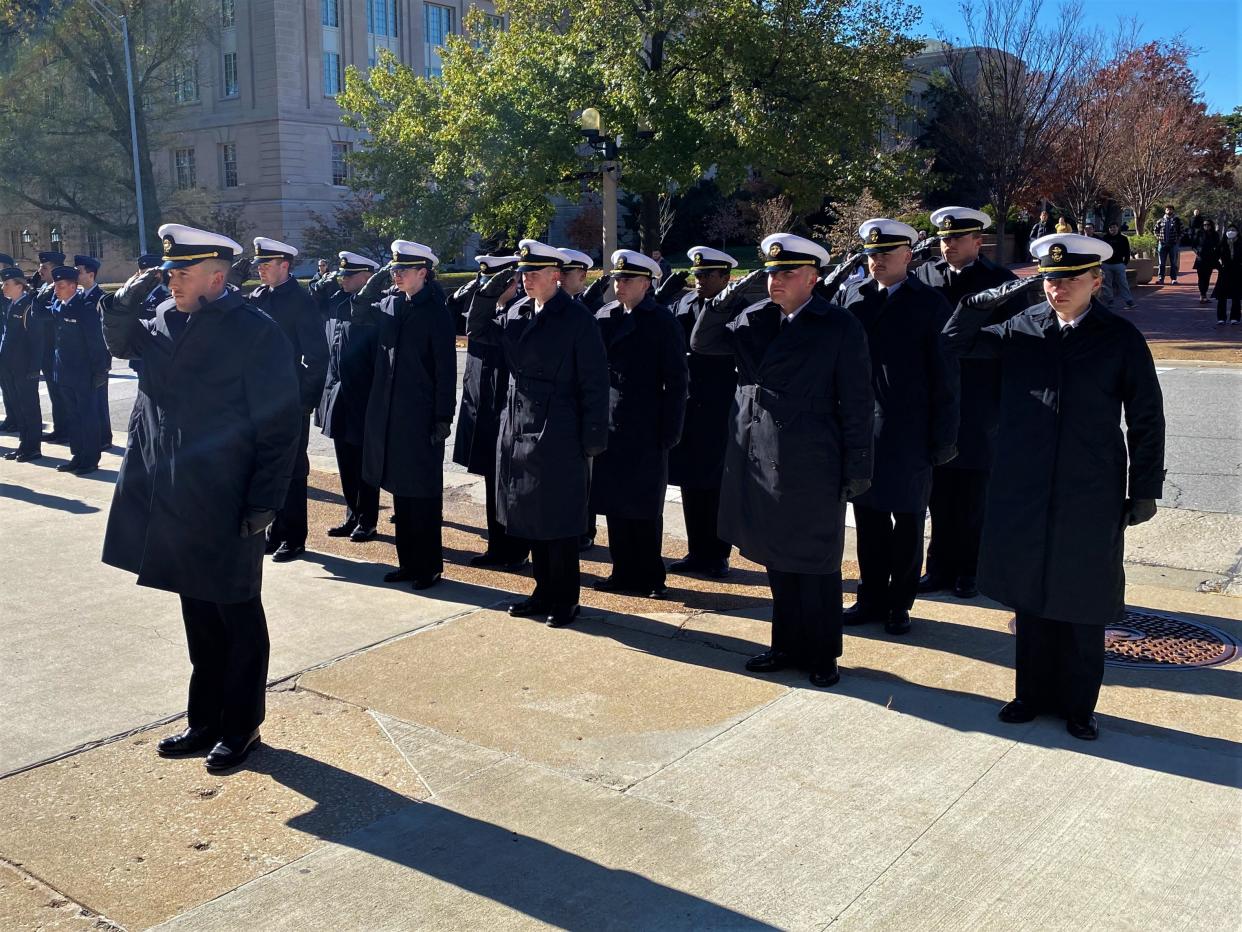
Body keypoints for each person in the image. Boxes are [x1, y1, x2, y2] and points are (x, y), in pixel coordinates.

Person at [944, 233, 1165, 740]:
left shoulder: (1119, 338)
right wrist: (979, 302)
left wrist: (1144, 487)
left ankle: (1079, 705)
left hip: (1091, 486)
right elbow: (955, 343)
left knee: (1083, 595)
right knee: (1031, 591)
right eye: (1049, 278)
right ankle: (1030, 694)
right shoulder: (1023, 327)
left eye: (1068, 279)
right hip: (1026, 482)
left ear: (1096, 280)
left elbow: (1147, 418)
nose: (1056, 288)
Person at [99, 222, 302, 770]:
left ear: (217, 276)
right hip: (176, 493)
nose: (170, 282)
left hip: (229, 497)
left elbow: (280, 427)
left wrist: (266, 501)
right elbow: (120, 345)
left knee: (236, 613)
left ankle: (241, 727)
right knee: (197, 610)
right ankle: (204, 718)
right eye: (166, 273)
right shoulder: (164, 317)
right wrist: (121, 303)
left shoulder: (255, 332)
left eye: (180, 273)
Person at [691, 233, 874, 687]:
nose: (776, 281)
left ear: (813, 278)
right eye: (771, 272)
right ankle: (785, 645)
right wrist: (724, 299)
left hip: (814, 453)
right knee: (777, 556)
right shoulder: (756, 318)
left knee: (815, 559)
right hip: (761, 449)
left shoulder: (838, 325)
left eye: (787, 272)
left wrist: (858, 466)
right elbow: (703, 341)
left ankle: (822, 653)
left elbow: (856, 400)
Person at [466, 239, 610, 628]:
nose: (526, 279)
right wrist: (493, 287)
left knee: (559, 522)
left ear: (555, 276)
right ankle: (542, 591)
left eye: (534, 273)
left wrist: (594, 436)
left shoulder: (577, 319)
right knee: (529, 515)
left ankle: (565, 600)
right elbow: (476, 329)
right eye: (523, 273)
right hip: (519, 423)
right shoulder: (518, 312)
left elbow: (595, 381)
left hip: (559, 426)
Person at [837, 219, 958, 635]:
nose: (877, 261)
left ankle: (899, 603)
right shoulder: (853, 296)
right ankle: (869, 597)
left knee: (907, 520)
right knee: (868, 519)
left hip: (910, 430)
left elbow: (946, 377)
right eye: (871, 254)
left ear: (908, 255)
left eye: (886, 253)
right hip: (862, 427)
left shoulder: (930, 303)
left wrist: (944, 437)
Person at [915, 207, 1027, 600]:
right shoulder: (925, 276)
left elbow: (1018, 341)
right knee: (939, 490)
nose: (948, 245)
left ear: (979, 242)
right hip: (934, 396)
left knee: (975, 491)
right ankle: (939, 567)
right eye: (944, 239)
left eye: (957, 238)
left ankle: (971, 569)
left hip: (980, 397)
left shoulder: (1002, 283)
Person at [354, 240, 456, 590]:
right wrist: (372, 283)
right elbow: (358, 311)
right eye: (394, 269)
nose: (396, 274)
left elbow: (445, 368)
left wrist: (444, 416)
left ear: (423, 273)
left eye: (403, 269)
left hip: (422, 415)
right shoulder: (392, 305)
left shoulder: (435, 311)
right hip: (391, 415)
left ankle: (429, 566)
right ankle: (408, 563)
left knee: (423, 495)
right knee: (400, 491)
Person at [589, 249, 689, 598]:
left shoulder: (661, 321)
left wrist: (671, 430)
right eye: (617, 278)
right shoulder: (606, 317)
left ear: (647, 283)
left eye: (627, 279)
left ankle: (650, 576)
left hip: (647, 424)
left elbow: (677, 381)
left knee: (645, 506)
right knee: (615, 504)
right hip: (612, 422)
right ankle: (622, 571)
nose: (619, 284)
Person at [247, 237, 329, 562]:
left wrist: (305, 400)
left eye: (266, 264)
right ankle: (273, 531)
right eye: (259, 265)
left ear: (285, 265)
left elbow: (318, 356)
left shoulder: (301, 301)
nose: (261, 269)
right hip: (260, 398)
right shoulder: (258, 297)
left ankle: (294, 538)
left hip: (290, 398)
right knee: (266, 466)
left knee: (292, 469)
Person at [661, 247, 740, 579]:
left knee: (718, 485)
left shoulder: (738, 309)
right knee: (693, 483)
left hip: (722, 406)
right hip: (691, 405)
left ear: (726, 278)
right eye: (697, 274)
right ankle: (697, 551)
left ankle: (717, 554)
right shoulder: (684, 304)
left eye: (707, 275)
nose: (699, 280)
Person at [452, 252, 530, 567]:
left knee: (508, 485)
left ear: (511, 283)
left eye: (495, 281)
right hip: (483, 408)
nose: (486, 286)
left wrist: (487, 300)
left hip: (506, 411)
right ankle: (499, 547)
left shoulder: (518, 313)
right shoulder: (490, 310)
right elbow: (462, 320)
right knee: (490, 481)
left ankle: (513, 550)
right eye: (484, 279)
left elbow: (478, 329)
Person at [312, 250, 382, 541]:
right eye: (342, 275)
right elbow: (312, 298)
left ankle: (368, 519)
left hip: (362, 399)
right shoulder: (337, 303)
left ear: (367, 277)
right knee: (345, 462)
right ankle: (352, 514)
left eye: (349, 276)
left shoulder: (374, 309)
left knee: (365, 465)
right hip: (338, 397)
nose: (343, 280)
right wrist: (327, 280)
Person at [37, 266, 110, 475]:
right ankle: (77, 456)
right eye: (55, 286)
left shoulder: (84, 308)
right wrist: (44, 294)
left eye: (60, 286)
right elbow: (38, 313)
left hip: (84, 373)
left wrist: (100, 371)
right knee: (73, 416)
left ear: (73, 286)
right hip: (64, 371)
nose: (57, 290)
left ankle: (91, 459)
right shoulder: (58, 306)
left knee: (87, 417)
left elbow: (96, 343)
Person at [0, 265, 45, 461]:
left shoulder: (29, 306)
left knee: (29, 407)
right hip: (10, 366)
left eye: (7, 284)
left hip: (24, 367)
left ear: (19, 286)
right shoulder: (13, 304)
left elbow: (37, 341)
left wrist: (35, 368)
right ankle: (24, 445)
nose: (3, 287)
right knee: (18, 407)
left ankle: (32, 447)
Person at [74, 255, 112, 452]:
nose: (76, 275)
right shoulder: (79, 296)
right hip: (83, 356)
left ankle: (105, 437)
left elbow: (105, 331)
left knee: (99, 399)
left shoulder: (101, 297)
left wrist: (104, 361)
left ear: (90, 274)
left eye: (79, 271)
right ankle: (94, 435)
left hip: (98, 357)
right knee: (88, 400)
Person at [34, 251, 70, 443]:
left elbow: (42, 314)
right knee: (54, 393)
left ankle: (65, 429)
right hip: (45, 347)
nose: (40, 270)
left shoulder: (57, 289)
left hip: (55, 346)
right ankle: (60, 427)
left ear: (55, 269)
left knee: (60, 392)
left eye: (45, 267)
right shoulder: (44, 287)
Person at [1099, 222, 1136, 309]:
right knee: (1107, 284)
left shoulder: (1123, 238)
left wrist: (1125, 263)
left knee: (1123, 283)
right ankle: (1109, 301)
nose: (1112, 229)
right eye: (1111, 228)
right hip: (1106, 264)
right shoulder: (1105, 238)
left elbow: (1127, 251)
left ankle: (1128, 301)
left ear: (1118, 228)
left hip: (1119, 264)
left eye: (1114, 227)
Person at [1214, 222, 1242, 325]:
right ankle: (1221, 318)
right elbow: (1215, 257)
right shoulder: (1222, 243)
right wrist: (1219, 266)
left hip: (1237, 272)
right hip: (1224, 272)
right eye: (1229, 230)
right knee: (1222, 296)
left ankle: (1235, 318)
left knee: (1236, 296)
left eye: (1233, 230)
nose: (1231, 232)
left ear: (1237, 232)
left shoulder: (1240, 243)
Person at [1154, 205, 1183, 285]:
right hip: (1162, 244)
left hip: (1173, 244)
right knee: (1161, 263)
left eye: (1170, 209)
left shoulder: (1177, 220)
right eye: (1167, 209)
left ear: (1173, 211)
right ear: (1165, 211)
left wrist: (1178, 239)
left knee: (1173, 262)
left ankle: (1173, 279)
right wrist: (1158, 237)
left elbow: (1182, 231)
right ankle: (1161, 279)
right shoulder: (1160, 221)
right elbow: (1155, 230)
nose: (1169, 211)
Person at [1193, 219, 1220, 306]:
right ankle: (1202, 295)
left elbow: (1218, 246)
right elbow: (1193, 245)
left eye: (1208, 225)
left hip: (1210, 258)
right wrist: (1197, 252)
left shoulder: (1215, 234)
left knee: (1207, 277)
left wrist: (1216, 256)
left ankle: (1204, 294)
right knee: (1201, 277)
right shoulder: (1199, 233)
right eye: (1204, 225)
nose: (1206, 226)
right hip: (1200, 258)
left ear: (1211, 225)